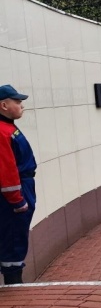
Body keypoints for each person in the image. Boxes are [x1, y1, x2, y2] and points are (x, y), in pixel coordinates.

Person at [0, 85, 36, 285]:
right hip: (15, 195)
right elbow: (7, 171)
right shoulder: (3, 132)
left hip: (23, 187)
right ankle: (14, 289)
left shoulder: (8, 128)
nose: (22, 105)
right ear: (4, 105)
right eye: (17, 102)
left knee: (16, 238)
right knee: (13, 240)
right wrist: (18, 201)